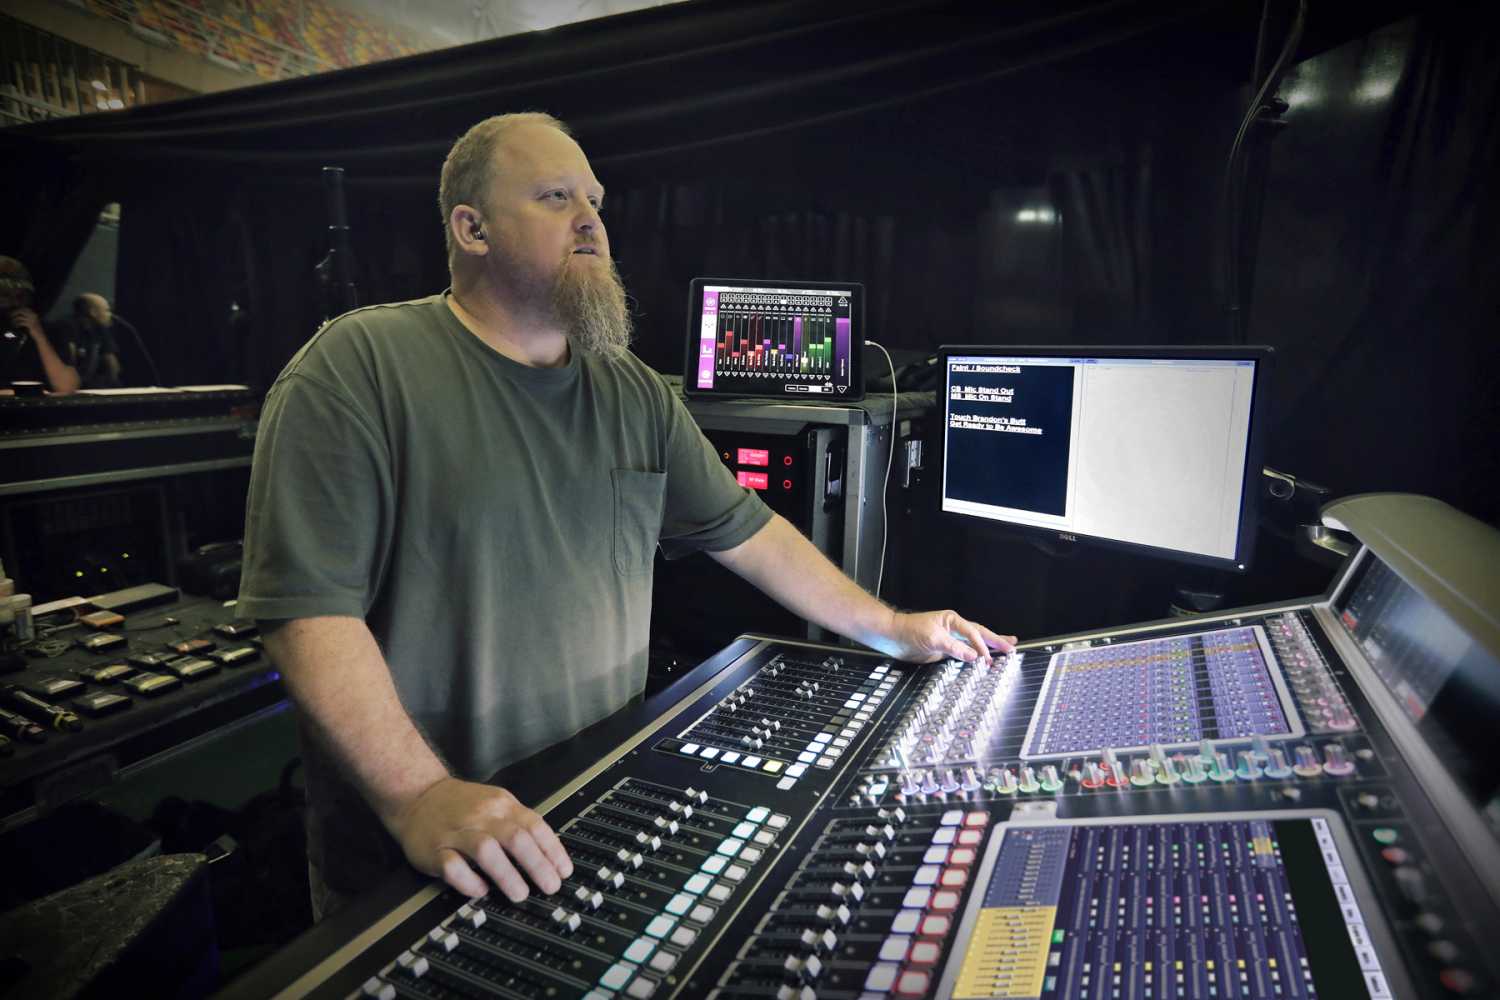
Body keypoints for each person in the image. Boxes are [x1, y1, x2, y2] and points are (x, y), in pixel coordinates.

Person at [237, 112, 1016, 921]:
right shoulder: (357, 368)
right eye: (553, 196)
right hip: (431, 847)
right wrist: (418, 796)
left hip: (586, 806)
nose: (590, 221)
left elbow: (746, 530)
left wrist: (891, 627)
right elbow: (306, 613)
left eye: (595, 200)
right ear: (471, 228)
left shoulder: (632, 389)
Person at [0, 256, 80, 394]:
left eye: (21, 296)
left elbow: (66, 387)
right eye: (5, 295)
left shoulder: (52, 331)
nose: (15, 302)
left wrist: (39, 336)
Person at [55, 293, 124, 389]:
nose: (110, 315)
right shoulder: (66, 327)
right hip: (69, 386)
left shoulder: (101, 329)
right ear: (93, 312)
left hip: (92, 386)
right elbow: (69, 362)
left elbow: (112, 363)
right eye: (107, 310)